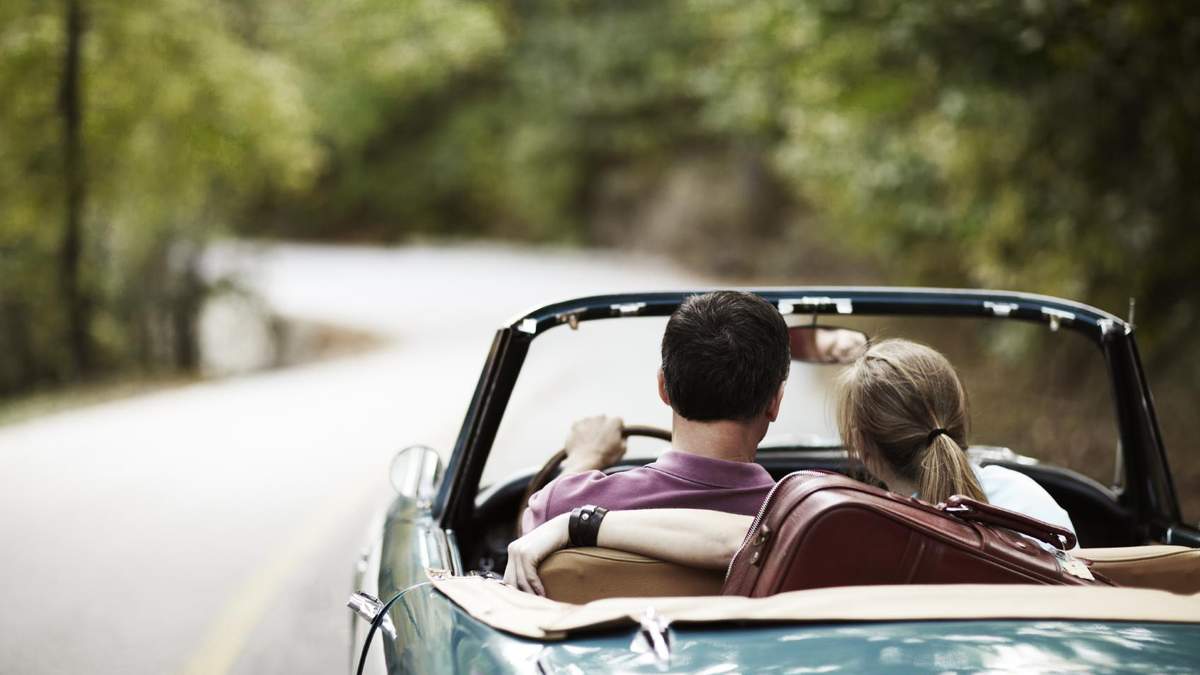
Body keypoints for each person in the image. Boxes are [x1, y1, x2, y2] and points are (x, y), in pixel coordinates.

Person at [505, 338, 1077, 595]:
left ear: (860, 447)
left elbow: (748, 539)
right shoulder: (1033, 506)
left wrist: (579, 519)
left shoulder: (858, 527)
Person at [519, 290, 791, 535]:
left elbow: (534, 524)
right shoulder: (797, 521)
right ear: (774, 402)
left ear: (663, 387)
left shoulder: (562, 509)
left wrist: (586, 456)